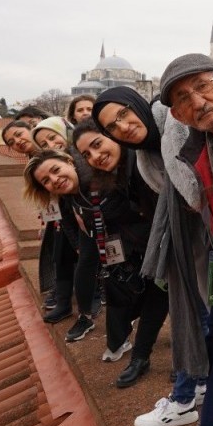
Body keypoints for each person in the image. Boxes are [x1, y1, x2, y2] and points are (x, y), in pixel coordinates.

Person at [131, 53, 213, 426]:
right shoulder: (187, 149)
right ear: (177, 116)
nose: (198, 101)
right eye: (183, 99)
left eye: (203, 86)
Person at [94, 87, 211, 426]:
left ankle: (187, 397)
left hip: (211, 243)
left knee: (208, 319)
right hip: (188, 248)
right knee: (197, 316)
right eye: (112, 127)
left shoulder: (177, 127)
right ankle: (193, 388)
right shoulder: (146, 156)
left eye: (123, 114)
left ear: (137, 105)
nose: (123, 126)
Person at [69, 121, 171, 388]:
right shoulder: (110, 177)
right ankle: (141, 357)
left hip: (174, 245)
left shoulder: (143, 163)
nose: (95, 156)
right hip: (147, 251)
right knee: (155, 300)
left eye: (97, 144)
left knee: (188, 306)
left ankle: (185, 366)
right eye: (87, 154)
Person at [23, 149, 99, 342]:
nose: (54, 180)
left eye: (56, 170)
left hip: (121, 228)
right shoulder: (64, 193)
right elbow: (66, 219)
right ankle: (84, 315)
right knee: (82, 265)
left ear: (69, 161)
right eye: (46, 181)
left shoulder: (93, 177)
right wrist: (78, 245)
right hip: (88, 228)